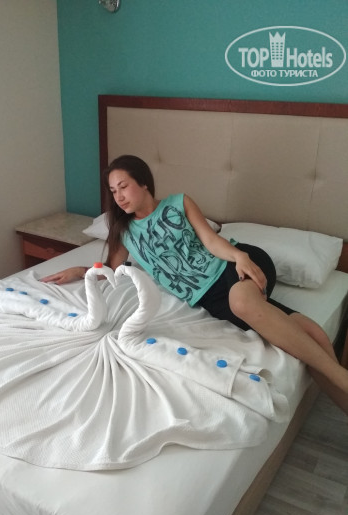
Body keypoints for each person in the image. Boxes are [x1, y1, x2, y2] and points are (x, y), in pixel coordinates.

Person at [41, 155, 348, 414]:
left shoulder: (179, 203)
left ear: (144, 182)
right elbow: (111, 269)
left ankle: (342, 378)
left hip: (231, 266)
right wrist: (81, 271)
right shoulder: (124, 231)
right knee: (313, 335)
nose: (119, 196)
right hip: (209, 297)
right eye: (113, 191)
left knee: (242, 302)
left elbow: (211, 240)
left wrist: (239, 256)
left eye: (124, 186)